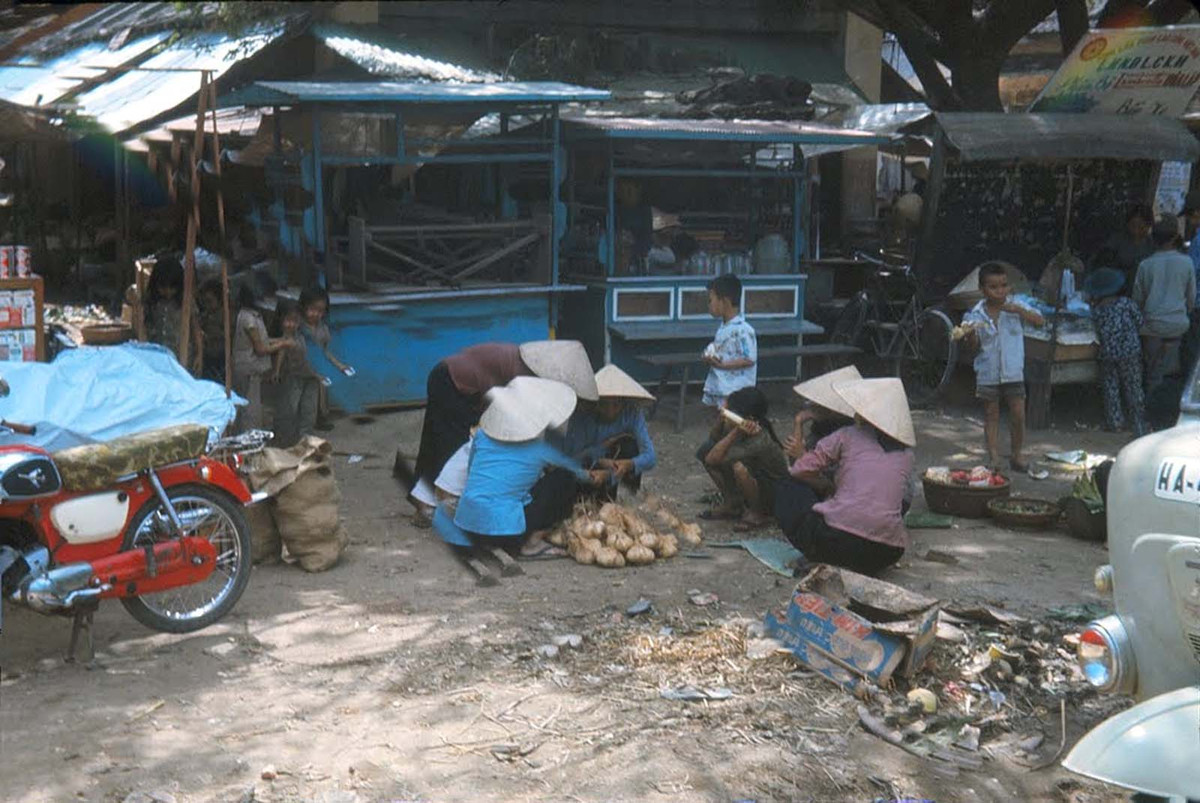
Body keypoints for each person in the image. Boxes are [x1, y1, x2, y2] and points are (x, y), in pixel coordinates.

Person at [404, 340, 600, 526]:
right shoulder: (524, 374)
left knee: (437, 442)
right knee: (452, 447)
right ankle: (435, 507)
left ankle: (424, 502)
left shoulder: (523, 360)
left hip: (451, 377)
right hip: (451, 382)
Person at [433, 377, 605, 560]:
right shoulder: (540, 449)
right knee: (564, 479)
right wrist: (594, 475)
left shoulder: (481, 435)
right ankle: (532, 544)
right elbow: (577, 472)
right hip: (507, 534)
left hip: (469, 526)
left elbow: (472, 471)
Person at [778, 377, 915, 576]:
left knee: (787, 485)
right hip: (887, 552)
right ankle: (853, 564)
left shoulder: (848, 435)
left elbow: (798, 470)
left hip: (837, 540)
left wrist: (799, 426)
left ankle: (821, 556)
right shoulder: (907, 455)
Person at [963, 262, 1045, 471]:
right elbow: (974, 347)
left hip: (1013, 370)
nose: (1000, 291)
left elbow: (1040, 320)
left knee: (1018, 414)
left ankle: (1017, 455)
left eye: (1004, 285)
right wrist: (970, 334)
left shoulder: (1016, 306)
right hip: (988, 371)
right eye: (993, 287)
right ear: (982, 290)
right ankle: (994, 457)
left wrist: (1018, 310)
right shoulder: (975, 315)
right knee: (991, 414)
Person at [697, 386, 788, 531]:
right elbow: (713, 440)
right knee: (706, 449)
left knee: (739, 468)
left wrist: (737, 431)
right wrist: (722, 418)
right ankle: (732, 504)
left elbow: (712, 460)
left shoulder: (759, 440)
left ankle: (758, 514)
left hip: (773, 493)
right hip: (757, 483)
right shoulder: (734, 427)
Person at [562, 364, 657, 500]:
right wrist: (599, 459)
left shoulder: (632, 413)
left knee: (630, 445)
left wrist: (628, 464)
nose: (610, 412)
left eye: (616, 405)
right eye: (604, 405)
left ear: (623, 402)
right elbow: (574, 457)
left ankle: (627, 494)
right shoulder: (582, 417)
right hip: (590, 468)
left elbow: (650, 457)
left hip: (617, 465)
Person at [1132, 214, 1196, 390]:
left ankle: (1151, 409)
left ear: (1153, 239)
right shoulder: (1187, 262)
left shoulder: (1146, 265)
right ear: (1176, 237)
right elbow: (1191, 299)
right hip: (1178, 325)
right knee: (1174, 373)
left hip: (1152, 326)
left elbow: (1138, 300)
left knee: (1152, 373)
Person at [1085, 268, 1148, 437]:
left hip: (1108, 353)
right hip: (1130, 352)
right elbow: (1141, 322)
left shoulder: (1097, 311)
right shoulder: (1127, 304)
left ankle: (1115, 423)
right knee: (1134, 388)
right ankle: (1139, 425)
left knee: (1111, 388)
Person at [230, 283, 290, 433]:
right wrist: (283, 344)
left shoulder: (254, 316)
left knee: (252, 407)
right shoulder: (248, 319)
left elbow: (264, 340)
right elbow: (261, 349)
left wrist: (280, 341)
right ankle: (248, 440)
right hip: (247, 369)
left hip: (251, 369)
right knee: (250, 410)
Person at [297, 286, 353, 432]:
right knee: (294, 408)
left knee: (311, 407)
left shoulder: (323, 329)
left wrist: (340, 366)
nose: (316, 314)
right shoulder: (297, 328)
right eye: (312, 309)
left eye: (320, 311)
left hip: (314, 375)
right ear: (303, 307)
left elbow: (325, 352)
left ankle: (308, 436)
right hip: (297, 374)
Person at [271, 300, 324, 448]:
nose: (291, 324)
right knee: (290, 409)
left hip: (311, 376)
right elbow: (282, 349)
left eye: (294, 321)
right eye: (288, 321)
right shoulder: (288, 335)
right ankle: (284, 442)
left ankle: (304, 443)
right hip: (294, 376)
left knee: (309, 410)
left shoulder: (307, 332)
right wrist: (276, 370)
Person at [783, 365, 861, 461]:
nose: (814, 405)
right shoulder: (820, 430)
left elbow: (830, 474)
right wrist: (798, 423)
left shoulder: (849, 437)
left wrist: (803, 456)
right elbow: (794, 463)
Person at [702, 273, 756, 408]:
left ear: (724, 301)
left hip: (736, 392)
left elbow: (749, 359)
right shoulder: (724, 328)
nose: (708, 305)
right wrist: (709, 355)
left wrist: (722, 365)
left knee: (732, 422)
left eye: (710, 300)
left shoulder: (743, 330)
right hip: (723, 388)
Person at [144, 255, 203, 374]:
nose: (168, 292)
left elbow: (195, 328)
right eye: (163, 288)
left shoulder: (186, 302)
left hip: (182, 357)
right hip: (157, 357)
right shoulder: (151, 301)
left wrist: (199, 354)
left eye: (172, 288)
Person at [1098, 204, 1155, 288]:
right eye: (1133, 225)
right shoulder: (1116, 240)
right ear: (1128, 224)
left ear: (1149, 226)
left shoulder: (1152, 244)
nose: (1136, 231)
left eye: (1141, 227)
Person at [198, 279, 226, 383]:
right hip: (207, 360)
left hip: (221, 360)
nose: (206, 305)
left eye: (209, 301)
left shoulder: (226, 316)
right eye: (204, 302)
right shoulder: (204, 316)